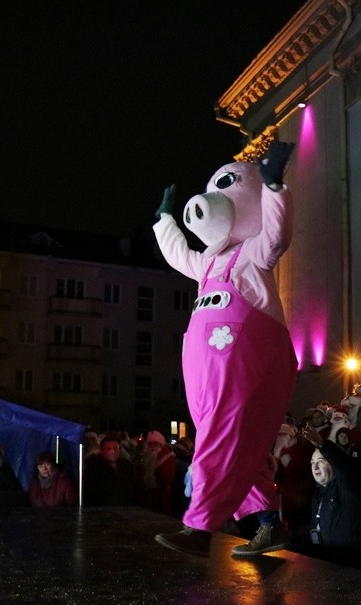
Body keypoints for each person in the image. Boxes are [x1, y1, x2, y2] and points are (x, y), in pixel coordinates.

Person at [152, 141, 297, 558]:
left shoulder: (254, 254)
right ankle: (269, 523)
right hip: (206, 365)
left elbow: (277, 234)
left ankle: (199, 527)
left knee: (219, 437)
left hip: (243, 357)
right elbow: (179, 255)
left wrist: (274, 188)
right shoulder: (210, 263)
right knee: (232, 442)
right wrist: (165, 221)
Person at [298, 425, 361, 550]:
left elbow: (345, 467)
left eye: (321, 461)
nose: (315, 467)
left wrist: (323, 445)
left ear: (332, 463)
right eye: (312, 462)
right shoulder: (318, 493)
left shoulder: (347, 488)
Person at [83, 435, 141, 506]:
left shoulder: (126, 465)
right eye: (109, 449)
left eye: (116, 448)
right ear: (102, 451)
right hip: (104, 508)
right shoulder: (93, 469)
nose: (113, 451)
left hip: (127, 508)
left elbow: (136, 487)